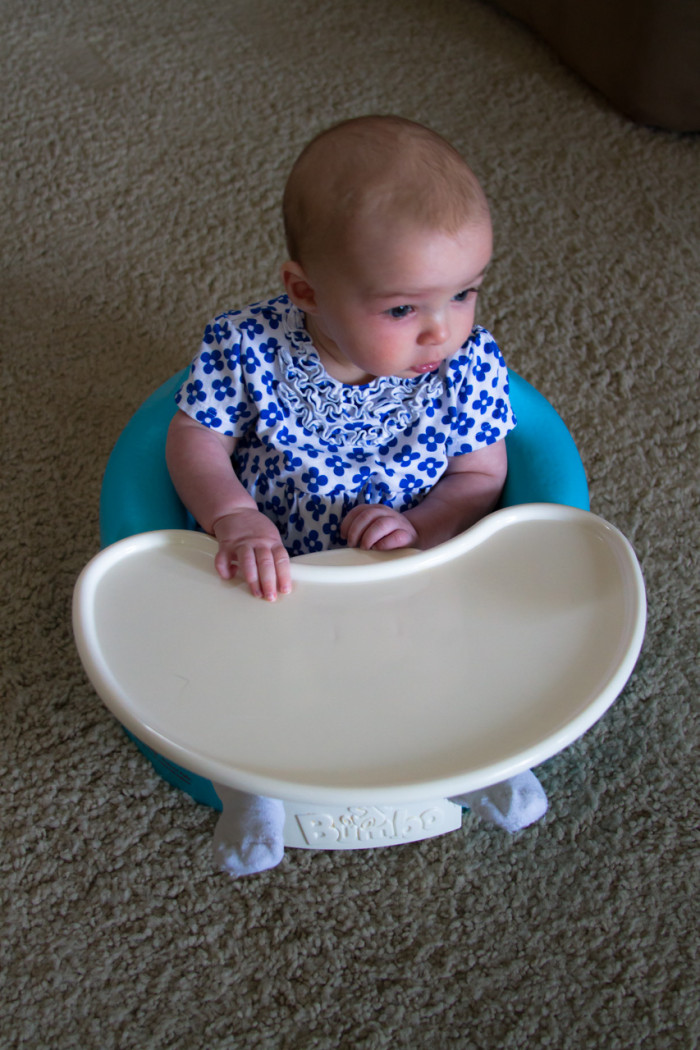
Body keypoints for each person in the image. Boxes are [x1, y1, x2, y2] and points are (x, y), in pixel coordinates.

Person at [166, 116, 547, 877]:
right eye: (404, 309)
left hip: (406, 569)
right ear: (306, 290)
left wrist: (421, 530)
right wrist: (235, 518)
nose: (442, 330)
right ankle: (251, 784)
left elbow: (480, 478)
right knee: (233, 669)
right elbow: (194, 438)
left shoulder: (467, 365)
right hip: (279, 569)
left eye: (465, 293)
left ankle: (474, 758)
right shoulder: (245, 348)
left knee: (464, 650)